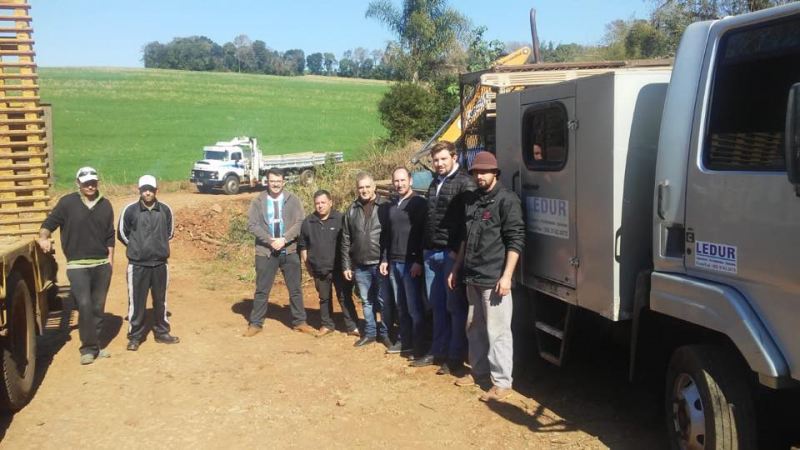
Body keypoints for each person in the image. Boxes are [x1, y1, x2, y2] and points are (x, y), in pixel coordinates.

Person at [448, 151, 525, 402]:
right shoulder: (472, 200)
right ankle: (479, 372)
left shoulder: (507, 200)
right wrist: (456, 268)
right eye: (476, 172)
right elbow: (465, 238)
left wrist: (507, 276)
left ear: (495, 173)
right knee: (474, 328)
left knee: (498, 332)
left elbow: (516, 240)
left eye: (484, 172)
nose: (479, 176)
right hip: (472, 277)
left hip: (494, 280)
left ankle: (502, 382)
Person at [38, 167, 115, 365]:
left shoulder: (106, 205)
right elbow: (51, 222)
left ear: (98, 182)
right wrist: (43, 237)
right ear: (78, 183)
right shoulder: (67, 203)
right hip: (77, 265)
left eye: (93, 182)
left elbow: (109, 236)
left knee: (98, 307)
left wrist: (110, 261)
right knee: (85, 305)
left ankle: (95, 346)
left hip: (101, 264)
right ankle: (87, 349)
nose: (90, 185)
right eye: (86, 182)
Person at [412, 141, 476, 376]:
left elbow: (468, 223)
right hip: (431, 253)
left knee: (454, 307)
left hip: (450, 254)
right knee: (436, 306)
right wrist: (424, 251)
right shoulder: (434, 183)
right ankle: (437, 351)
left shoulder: (465, 182)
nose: (438, 164)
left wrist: (455, 252)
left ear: (453, 156)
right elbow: (429, 220)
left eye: (442, 159)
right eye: (435, 160)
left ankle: (456, 356)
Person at [244, 168, 313, 336]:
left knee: (295, 288)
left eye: (278, 181)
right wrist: (270, 241)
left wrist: (284, 239)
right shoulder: (258, 201)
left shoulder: (293, 200)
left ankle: (299, 322)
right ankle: (255, 324)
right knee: (262, 289)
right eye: (272, 181)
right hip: (265, 252)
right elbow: (252, 224)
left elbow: (300, 222)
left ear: (283, 182)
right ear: (266, 182)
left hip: (289, 250)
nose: (275, 184)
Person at [117, 175, 180, 351]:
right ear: (139, 190)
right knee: (137, 301)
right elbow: (122, 233)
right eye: (144, 189)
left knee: (160, 300)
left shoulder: (165, 210)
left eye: (151, 189)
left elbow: (169, 233)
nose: (147, 192)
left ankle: (161, 332)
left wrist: (158, 247)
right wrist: (137, 247)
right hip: (138, 265)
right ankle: (135, 336)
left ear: (156, 190)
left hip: (160, 264)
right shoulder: (130, 210)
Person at [341, 172, 393, 348]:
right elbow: (346, 238)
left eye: (367, 187)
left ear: (374, 187)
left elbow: (389, 236)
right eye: (360, 187)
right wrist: (346, 264)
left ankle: (385, 333)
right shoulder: (352, 209)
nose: (364, 190)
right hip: (360, 263)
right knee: (366, 300)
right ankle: (370, 332)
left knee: (383, 301)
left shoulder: (385, 206)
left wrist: (386, 259)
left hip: (380, 263)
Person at [298, 189, 360, 338]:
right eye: (317, 203)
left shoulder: (341, 219)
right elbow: (303, 244)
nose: (320, 206)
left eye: (323, 203)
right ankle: (327, 324)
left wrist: (350, 265)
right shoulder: (308, 222)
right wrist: (307, 264)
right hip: (319, 268)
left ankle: (352, 326)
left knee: (345, 297)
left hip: (340, 268)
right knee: (324, 298)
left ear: (330, 203)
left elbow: (350, 243)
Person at [379, 167, 427, 356]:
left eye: (403, 180)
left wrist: (419, 261)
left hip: (410, 264)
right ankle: (404, 341)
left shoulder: (419, 203)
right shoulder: (391, 206)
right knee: (401, 306)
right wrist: (384, 259)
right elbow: (386, 236)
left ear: (411, 181)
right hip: (394, 263)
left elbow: (424, 235)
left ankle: (418, 344)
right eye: (396, 181)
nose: (399, 184)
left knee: (415, 307)